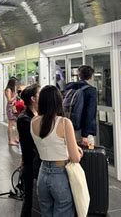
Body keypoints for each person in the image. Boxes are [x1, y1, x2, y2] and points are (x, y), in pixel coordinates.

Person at [31, 85, 83, 217]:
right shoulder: (64, 123)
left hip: (42, 174)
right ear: (58, 101)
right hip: (60, 174)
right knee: (64, 209)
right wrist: (79, 152)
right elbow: (75, 158)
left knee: (46, 212)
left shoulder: (33, 121)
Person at [16, 84, 41, 217]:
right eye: (39, 94)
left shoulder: (35, 115)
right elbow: (31, 145)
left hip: (33, 162)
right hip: (31, 164)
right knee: (29, 200)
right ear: (33, 98)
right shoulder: (25, 119)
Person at [64, 65, 97, 147]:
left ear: (79, 75)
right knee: (89, 156)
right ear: (91, 77)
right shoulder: (91, 91)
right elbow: (90, 113)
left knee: (71, 153)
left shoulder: (70, 88)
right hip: (83, 131)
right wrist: (85, 135)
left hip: (69, 127)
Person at [4, 78, 19, 146]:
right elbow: (9, 100)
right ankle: (10, 140)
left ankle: (15, 138)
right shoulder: (8, 90)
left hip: (14, 107)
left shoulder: (12, 89)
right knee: (11, 124)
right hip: (11, 108)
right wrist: (15, 96)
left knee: (14, 124)